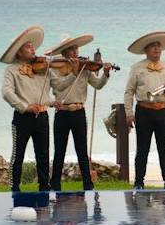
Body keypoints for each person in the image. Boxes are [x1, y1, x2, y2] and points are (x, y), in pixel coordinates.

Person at [1, 25, 76, 192]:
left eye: (32, 46)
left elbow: (59, 86)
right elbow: (6, 92)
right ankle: (14, 188)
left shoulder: (44, 68)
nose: (33, 48)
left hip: (42, 117)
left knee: (43, 156)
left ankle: (44, 188)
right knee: (17, 155)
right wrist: (25, 107)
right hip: (22, 117)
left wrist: (73, 74)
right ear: (19, 52)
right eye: (28, 47)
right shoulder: (11, 70)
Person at [45, 34, 115, 191]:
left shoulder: (85, 67)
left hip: (78, 112)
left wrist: (105, 73)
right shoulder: (55, 68)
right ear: (63, 53)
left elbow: (98, 85)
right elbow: (60, 87)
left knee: (82, 150)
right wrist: (73, 73)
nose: (75, 52)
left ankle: (88, 185)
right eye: (70, 49)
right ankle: (55, 184)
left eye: (76, 48)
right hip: (62, 113)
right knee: (59, 151)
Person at [124, 31, 165, 190]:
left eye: (158, 46)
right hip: (144, 111)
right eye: (152, 47)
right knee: (142, 149)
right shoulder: (137, 68)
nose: (156, 49)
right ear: (146, 50)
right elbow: (129, 91)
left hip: (164, 111)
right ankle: (138, 182)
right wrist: (129, 113)